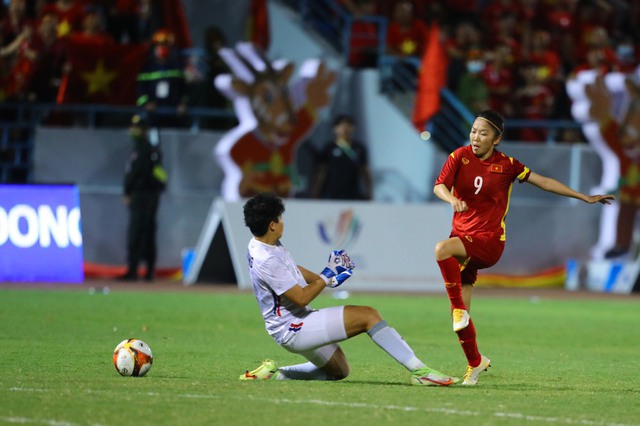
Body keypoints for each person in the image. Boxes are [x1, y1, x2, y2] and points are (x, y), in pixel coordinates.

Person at [432, 110, 614, 385]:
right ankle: (475, 363)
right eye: (473, 131)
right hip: (463, 237)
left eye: (483, 133)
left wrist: (583, 196)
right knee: (462, 318)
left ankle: (457, 307)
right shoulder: (459, 156)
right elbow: (439, 186)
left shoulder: (507, 165)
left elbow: (544, 182)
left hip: (489, 241)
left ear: (497, 139)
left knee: (441, 250)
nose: (476, 137)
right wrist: (451, 200)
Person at [240, 192, 457, 385]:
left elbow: (290, 269)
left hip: (293, 322)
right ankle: (421, 371)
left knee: (339, 371)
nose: (283, 222)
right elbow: (301, 298)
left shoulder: (262, 242)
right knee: (368, 315)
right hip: (292, 328)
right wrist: (326, 275)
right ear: (272, 224)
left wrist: (327, 279)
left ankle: (276, 374)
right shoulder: (266, 259)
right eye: (280, 218)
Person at [118, 114, 167, 282]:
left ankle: (134, 270)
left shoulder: (143, 149)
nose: (133, 130)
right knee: (147, 231)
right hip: (149, 195)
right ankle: (147, 271)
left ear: (145, 130)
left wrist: (127, 191)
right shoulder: (147, 149)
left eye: (137, 127)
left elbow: (137, 172)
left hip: (142, 195)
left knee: (138, 232)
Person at [311, 115, 373, 200]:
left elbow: (365, 171)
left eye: (348, 125)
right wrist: (316, 190)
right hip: (331, 193)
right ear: (334, 129)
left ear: (353, 128)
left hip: (353, 193)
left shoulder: (359, 148)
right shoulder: (329, 148)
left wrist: (369, 191)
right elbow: (321, 171)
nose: (345, 128)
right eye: (341, 125)